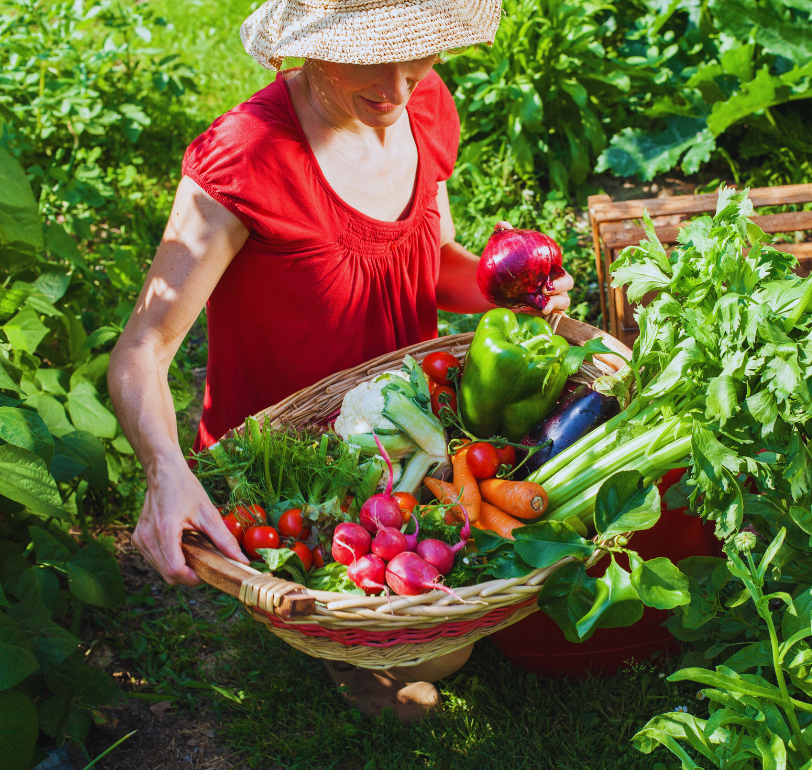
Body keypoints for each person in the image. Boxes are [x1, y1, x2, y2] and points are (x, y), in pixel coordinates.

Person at [107, 0, 574, 724]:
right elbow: (143, 349)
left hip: (407, 421)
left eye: (416, 53)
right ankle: (335, 640)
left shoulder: (424, 106)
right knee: (437, 651)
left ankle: (362, 623)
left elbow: (431, 263)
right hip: (295, 456)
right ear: (311, 46)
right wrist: (163, 472)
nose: (398, 84)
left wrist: (505, 293)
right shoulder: (249, 156)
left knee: (453, 625)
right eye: (371, 55)